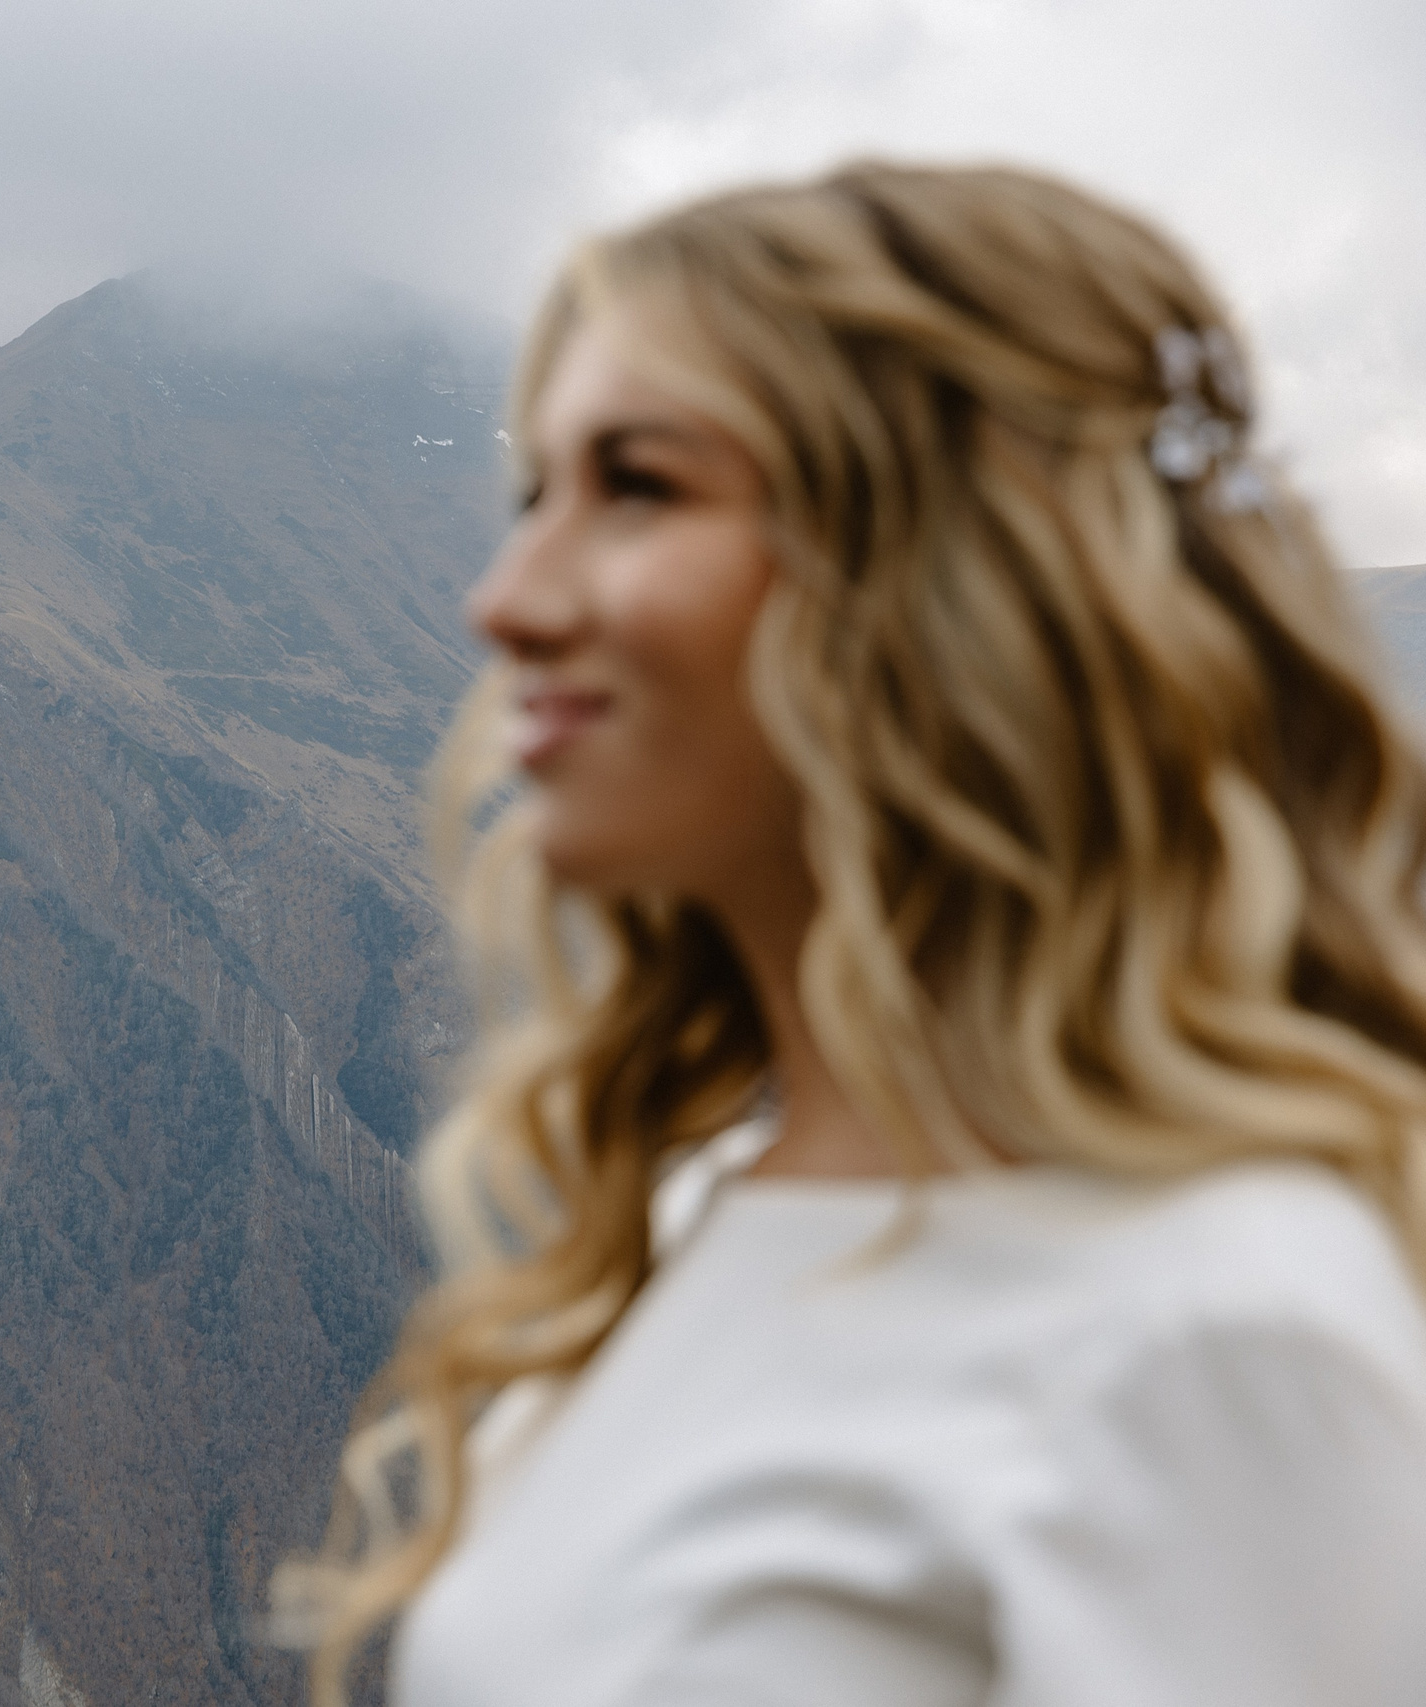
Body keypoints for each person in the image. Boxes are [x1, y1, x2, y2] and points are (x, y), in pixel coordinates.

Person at [279, 162, 1426, 1705]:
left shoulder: (1216, 1332)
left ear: (942, 584)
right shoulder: (682, 1225)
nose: (507, 598)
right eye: (532, 492)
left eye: (640, 487)